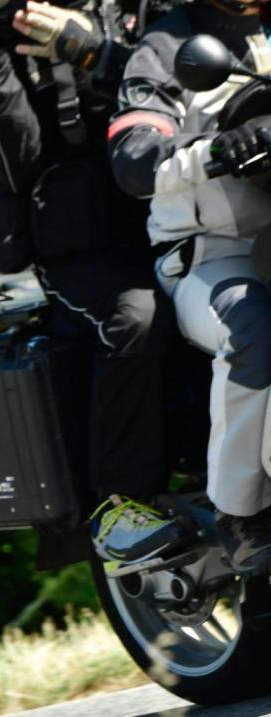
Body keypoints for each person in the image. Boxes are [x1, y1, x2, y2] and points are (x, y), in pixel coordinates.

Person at [0, 0, 189, 562]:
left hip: (193, 203)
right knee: (136, 318)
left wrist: (92, 51)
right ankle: (121, 503)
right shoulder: (16, 29)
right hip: (88, 245)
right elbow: (16, 165)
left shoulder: (159, 12)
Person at [108, 0, 271, 570]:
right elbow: (133, 159)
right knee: (253, 326)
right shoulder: (167, 46)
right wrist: (217, 151)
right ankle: (241, 513)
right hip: (213, 256)